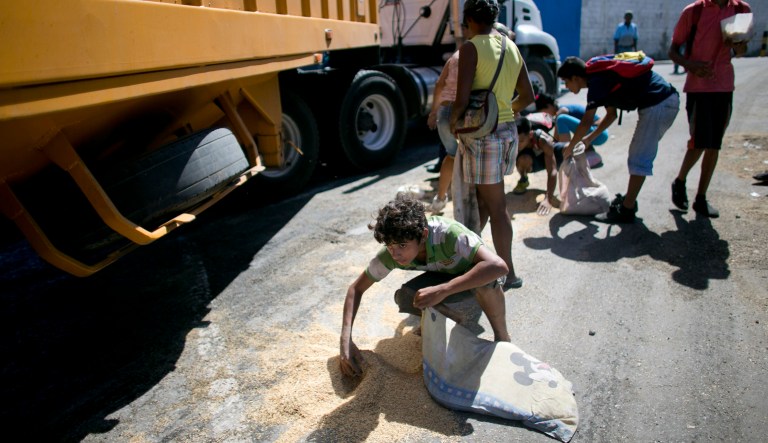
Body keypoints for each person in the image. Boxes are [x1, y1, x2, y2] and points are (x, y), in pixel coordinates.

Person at [338, 195, 512, 377]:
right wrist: (345, 338)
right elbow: (356, 289)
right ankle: (451, 318)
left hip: (472, 277)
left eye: (402, 245)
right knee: (406, 296)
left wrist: (444, 289)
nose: (395, 253)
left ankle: (503, 338)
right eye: (389, 246)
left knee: (487, 282)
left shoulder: (449, 233)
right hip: (445, 276)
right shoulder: (392, 252)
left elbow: (499, 266)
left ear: (424, 236)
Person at [449, 0, 534, 289]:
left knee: (496, 206)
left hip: (485, 138)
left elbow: (461, 100)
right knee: (485, 202)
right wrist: (503, 111)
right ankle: (474, 260)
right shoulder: (511, 46)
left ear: (470, 19)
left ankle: (507, 273)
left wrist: (454, 124)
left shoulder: (472, 47)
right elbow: (528, 95)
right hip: (507, 132)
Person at [556, 55, 679, 223]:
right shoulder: (601, 78)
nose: (566, 87)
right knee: (638, 154)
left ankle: (626, 210)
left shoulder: (597, 82)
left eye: (566, 81)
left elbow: (586, 121)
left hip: (658, 103)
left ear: (576, 78)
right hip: (661, 102)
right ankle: (629, 201)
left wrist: (570, 146)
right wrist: (588, 140)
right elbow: (611, 115)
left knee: (638, 157)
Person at [668, 0, 752, 218]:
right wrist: (690, 65)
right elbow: (673, 50)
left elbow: (741, 50)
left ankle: (701, 198)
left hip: (723, 86)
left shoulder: (741, 10)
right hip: (698, 88)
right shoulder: (694, 12)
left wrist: (739, 45)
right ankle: (680, 180)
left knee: (714, 144)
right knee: (698, 142)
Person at [531, 92, 607, 170]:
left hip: (598, 133)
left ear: (549, 106)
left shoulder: (562, 111)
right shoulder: (562, 111)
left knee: (561, 119)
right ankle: (585, 154)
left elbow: (557, 139)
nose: (545, 116)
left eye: (544, 112)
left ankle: (567, 158)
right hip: (597, 134)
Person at [512, 117, 564, 216]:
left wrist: (548, 199)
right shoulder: (514, 142)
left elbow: (552, 171)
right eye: (515, 141)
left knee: (567, 150)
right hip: (534, 160)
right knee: (522, 160)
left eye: (521, 140)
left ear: (530, 134)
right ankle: (524, 179)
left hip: (551, 155)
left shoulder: (543, 140)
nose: (517, 144)